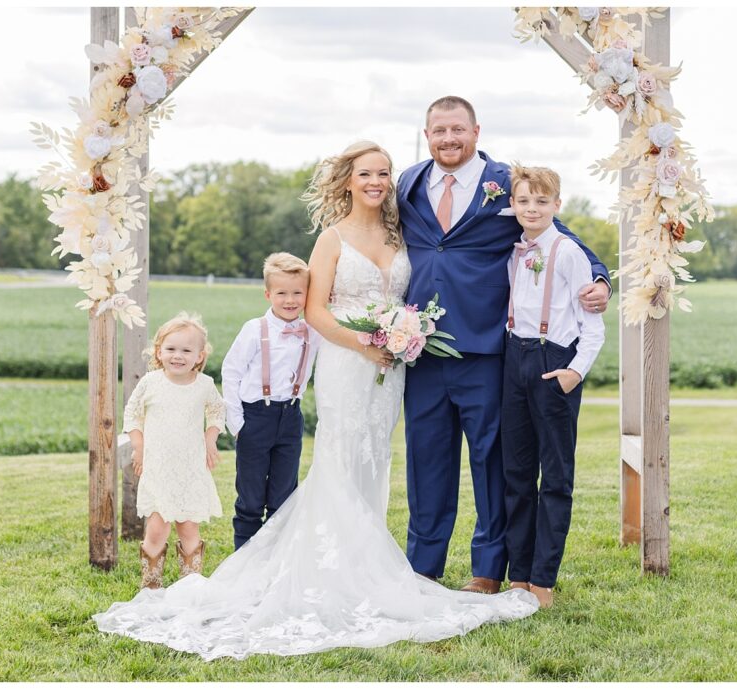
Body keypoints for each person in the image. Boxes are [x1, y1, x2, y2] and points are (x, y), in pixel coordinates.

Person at [93, 141, 537, 660]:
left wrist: (397, 339)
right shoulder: (331, 239)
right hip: (349, 364)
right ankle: (330, 568)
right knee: (339, 456)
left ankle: (364, 563)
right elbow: (315, 311)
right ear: (347, 179)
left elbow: (408, 294)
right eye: (366, 173)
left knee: (376, 457)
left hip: (391, 368)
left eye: (384, 173)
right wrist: (365, 344)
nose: (376, 181)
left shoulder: (400, 232)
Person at [397, 96, 611, 594]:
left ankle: (487, 570)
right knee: (426, 460)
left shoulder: (507, 186)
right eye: (438, 131)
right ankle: (422, 569)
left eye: (457, 129)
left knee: (493, 461)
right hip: (421, 349)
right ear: (426, 134)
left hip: (489, 347)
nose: (448, 139)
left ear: (475, 130)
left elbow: (563, 235)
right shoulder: (407, 183)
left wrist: (598, 278)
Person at [501, 165, 605, 609]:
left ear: (557, 206)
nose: (532, 209)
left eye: (542, 202)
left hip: (553, 364)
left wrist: (573, 372)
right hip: (514, 359)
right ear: (513, 205)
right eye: (524, 201)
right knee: (517, 475)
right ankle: (519, 576)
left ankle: (544, 578)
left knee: (556, 477)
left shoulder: (567, 252)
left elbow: (593, 328)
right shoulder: (512, 248)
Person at [220, 252, 322, 550]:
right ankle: (244, 559)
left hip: (290, 417)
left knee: (284, 496)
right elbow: (231, 371)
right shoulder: (254, 330)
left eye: (297, 293)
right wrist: (237, 423)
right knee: (251, 496)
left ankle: (275, 560)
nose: (290, 300)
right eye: (281, 293)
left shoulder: (312, 332)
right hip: (255, 418)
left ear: (307, 295)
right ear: (268, 294)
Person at [124, 312, 226, 589]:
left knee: (189, 526)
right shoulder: (151, 382)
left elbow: (217, 411)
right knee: (157, 528)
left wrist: (211, 435)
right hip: (159, 467)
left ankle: (189, 585)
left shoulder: (204, 385)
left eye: (186, 350)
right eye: (170, 349)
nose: (177, 355)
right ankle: (151, 583)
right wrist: (138, 445)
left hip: (190, 468)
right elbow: (132, 413)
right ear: (159, 351)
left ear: (199, 355)